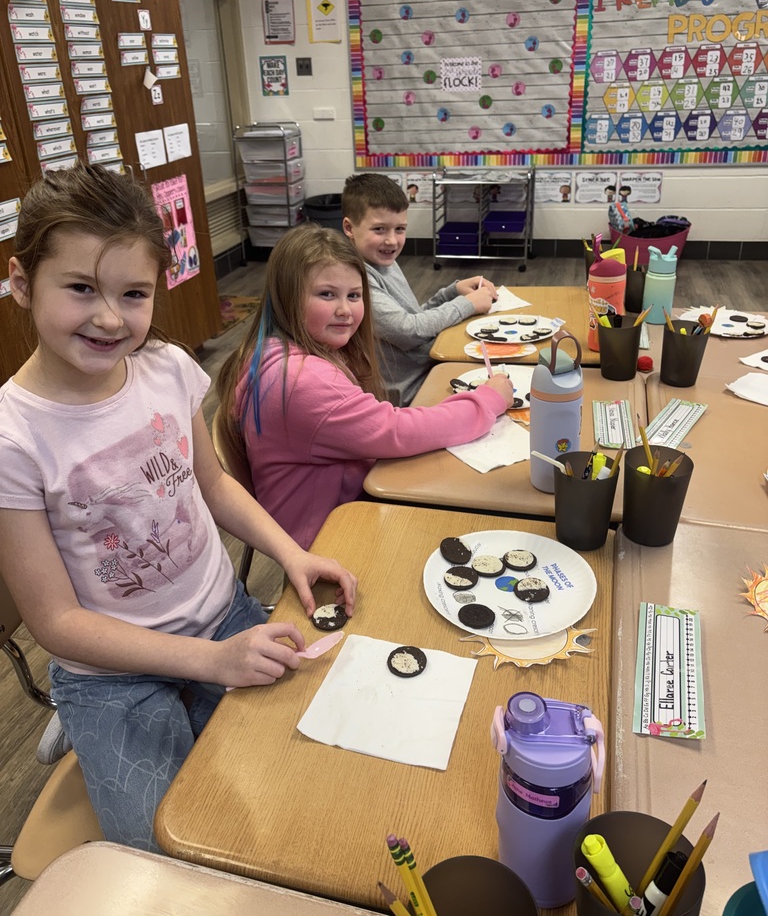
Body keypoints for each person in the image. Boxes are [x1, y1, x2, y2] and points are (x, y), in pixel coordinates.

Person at [0, 164, 356, 853]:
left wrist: (293, 553)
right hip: (112, 677)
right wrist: (211, 663)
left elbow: (215, 485)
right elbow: (56, 623)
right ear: (21, 282)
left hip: (222, 616)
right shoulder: (15, 437)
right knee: (177, 850)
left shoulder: (163, 366)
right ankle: (79, 721)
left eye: (133, 294)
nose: (110, 318)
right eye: (80, 289)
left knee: (304, 783)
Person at [216, 224, 515, 550]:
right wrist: (487, 400)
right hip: (330, 536)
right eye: (326, 294)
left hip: (343, 507)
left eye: (354, 296)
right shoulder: (302, 381)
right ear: (287, 297)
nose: (345, 310)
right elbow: (396, 431)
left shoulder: (283, 351)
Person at [341, 172, 499, 405]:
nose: (392, 241)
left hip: (426, 369)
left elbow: (413, 317)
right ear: (349, 227)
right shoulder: (356, 278)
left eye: (400, 229)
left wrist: (452, 292)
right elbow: (409, 332)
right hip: (406, 395)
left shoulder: (385, 262)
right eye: (379, 229)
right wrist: (467, 304)